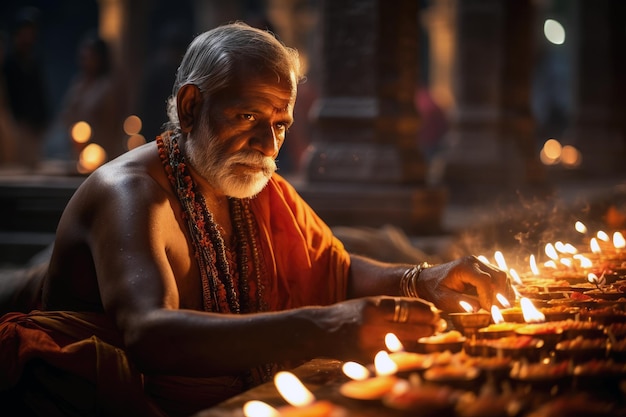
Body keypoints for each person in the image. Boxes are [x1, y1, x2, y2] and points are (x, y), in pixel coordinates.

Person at [0, 22, 512, 417]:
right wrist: (319, 327)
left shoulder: (244, 181)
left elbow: (331, 271)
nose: (269, 147)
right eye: (247, 117)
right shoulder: (132, 193)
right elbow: (148, 334)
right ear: (192, 104)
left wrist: (421, 280)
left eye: (281, 125)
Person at [58, 31, 128, 162]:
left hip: (101, 150)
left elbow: (113, 122)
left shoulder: (107, 87)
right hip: (76, 150)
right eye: (83, 57)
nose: (86, 61)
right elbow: (67, 113)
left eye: (90, 57)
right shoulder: (78, 84)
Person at [2, 7, 50, 170]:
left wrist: (43, 120)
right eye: (24, 33)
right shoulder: (9, 65)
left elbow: (40, 94)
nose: (27, 38)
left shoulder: (34, 63)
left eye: (30, 33)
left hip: (34, 128)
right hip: (15, 127)